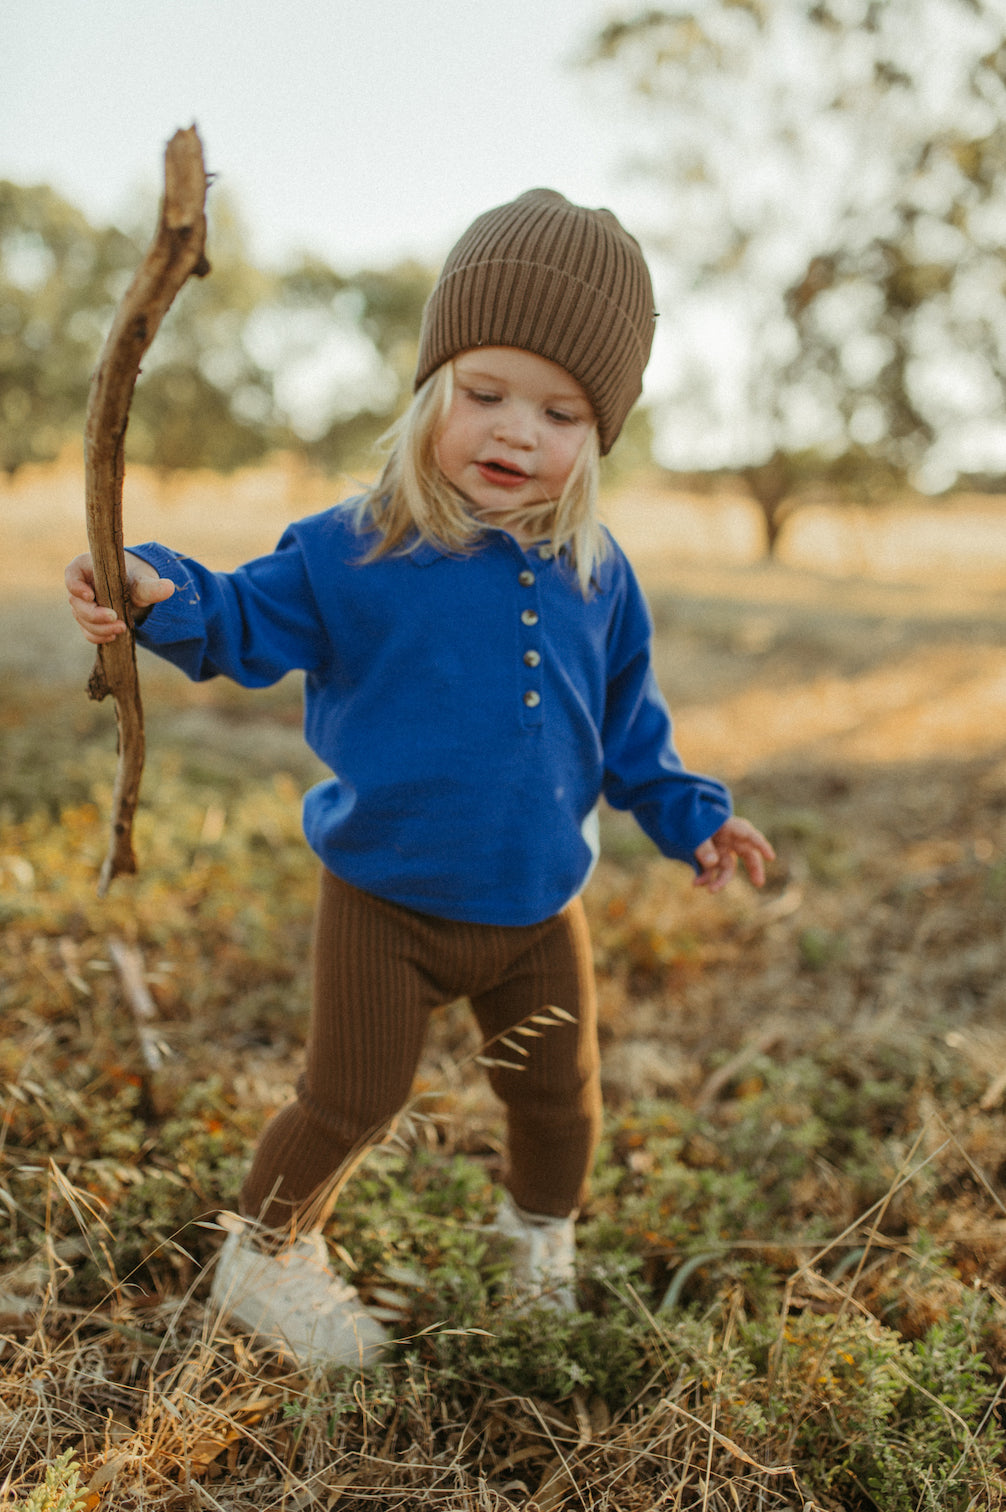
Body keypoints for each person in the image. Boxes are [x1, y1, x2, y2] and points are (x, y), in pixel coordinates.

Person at [66, 189, 774, 1369]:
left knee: (560, 1100)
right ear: (431, 386)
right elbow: (238, 618)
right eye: (484, 392)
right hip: (386, 899)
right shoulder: (357, 547)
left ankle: (532, 1246)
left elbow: (631, 731)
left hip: (541, 905)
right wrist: (152, 588)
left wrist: (695, 817)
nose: (515, 432)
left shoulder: (600, 578)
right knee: (351, 1099)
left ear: (598, 437)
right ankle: (267, 1257)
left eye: (558, 411)